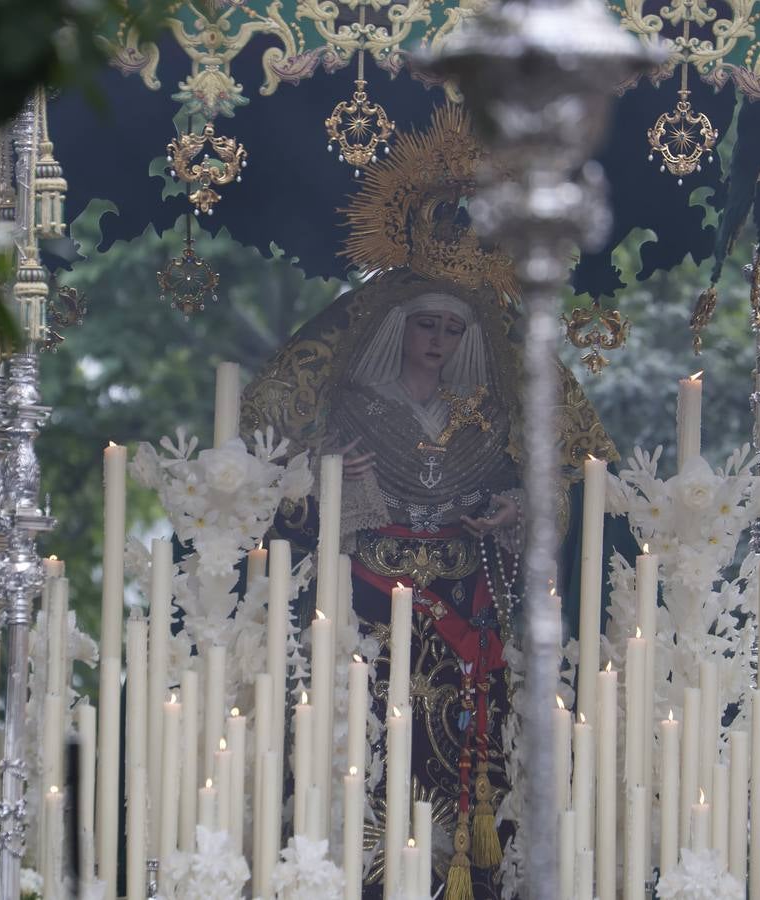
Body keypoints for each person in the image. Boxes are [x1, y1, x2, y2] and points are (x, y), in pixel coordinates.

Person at [240, 107, 614, 899]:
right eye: (427, 327)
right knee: (361, 774)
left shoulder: (480, 422)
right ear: (397, 329)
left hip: (465, 626)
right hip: (363, 631)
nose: (439, 342)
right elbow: (277, 506)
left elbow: (558, 502)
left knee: (468, 785)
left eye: (452, 329)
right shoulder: (347, 414)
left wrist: (514, 518)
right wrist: (323, 478)